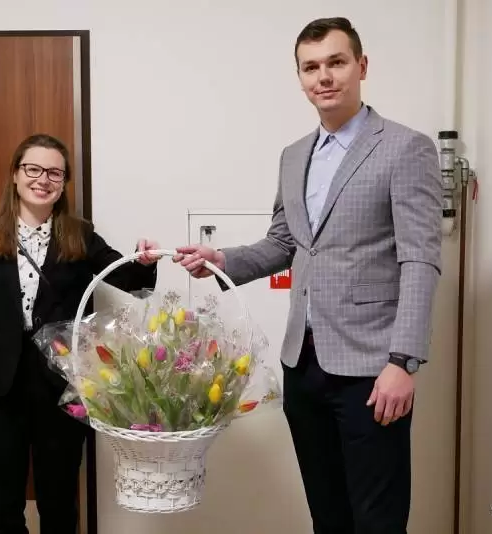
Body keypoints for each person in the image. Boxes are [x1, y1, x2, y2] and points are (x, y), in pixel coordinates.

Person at [174, 17, 442, 534]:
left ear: (361, 66)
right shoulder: (294, 155)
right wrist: (221, 260)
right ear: (300, 77)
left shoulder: (405, 148)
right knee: (327, 515)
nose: (324, 77)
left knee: (378, 520)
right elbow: (285, 242)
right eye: (311, 67)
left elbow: (420, 259)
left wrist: (403, 361)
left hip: (372, 368)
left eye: (336, 63)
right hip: (303, 364)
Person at [0, 133, 160, 534]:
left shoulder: (80, 234)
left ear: (63, 184)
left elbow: (130, 280)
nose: (42, 179)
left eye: (54, 173)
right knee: (1, 505)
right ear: (15, 174)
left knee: (59, 503)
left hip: (62, 386)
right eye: (33, 169)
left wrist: (145, 260)